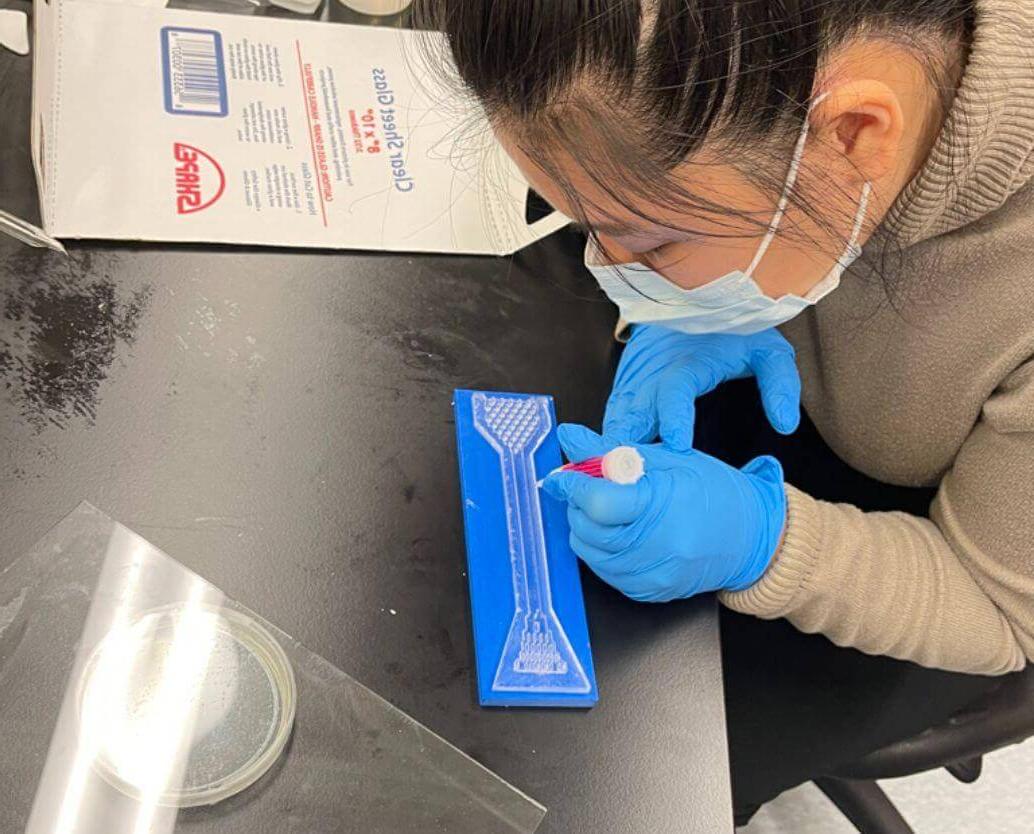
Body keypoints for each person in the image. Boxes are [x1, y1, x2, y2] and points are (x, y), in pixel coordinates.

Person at [417, 0, 1034, 822]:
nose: (609, 266)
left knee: (590, 788)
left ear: (853, 136)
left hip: (946, 571)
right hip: (787, 397)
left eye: (649, 243)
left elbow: (1000, 614)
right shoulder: (797, 125)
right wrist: (669, 310)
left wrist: (761, 543)